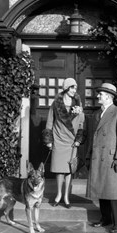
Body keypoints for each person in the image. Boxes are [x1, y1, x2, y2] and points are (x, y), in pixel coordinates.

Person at [86, 83, 117, 233]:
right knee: (101, 191)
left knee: (113, 192)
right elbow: (93, 137)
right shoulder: (97, 114)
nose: (98, 96)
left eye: (101, 94)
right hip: (98, 157)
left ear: (109, 97)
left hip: (111, 159)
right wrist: (88, 156)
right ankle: (106, 219)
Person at [42, 78, 85, 208]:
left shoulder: (78, 104)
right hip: (58, 139)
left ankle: (66, 196)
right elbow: (49, 122)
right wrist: (49, 141)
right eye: (72, 87)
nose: (74, 90)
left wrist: (78, 140)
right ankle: (58, 194)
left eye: (75, 88)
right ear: (66, 88)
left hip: (71, 141)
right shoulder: (56, 104)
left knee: (68, 170)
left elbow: (82, 124)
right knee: (59, 170)